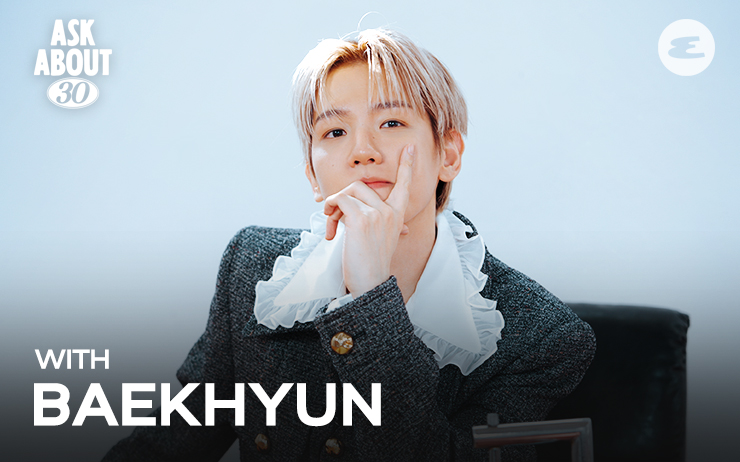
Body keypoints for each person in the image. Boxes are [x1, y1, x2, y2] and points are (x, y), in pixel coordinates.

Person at [103, 28, 596, 462]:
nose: (362, 151)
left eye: (391, 123)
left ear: (448, 153)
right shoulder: (252, 270)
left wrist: (371, 298)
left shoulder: (542, 337)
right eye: (335, 131)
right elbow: (168, 444)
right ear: (313, 175)